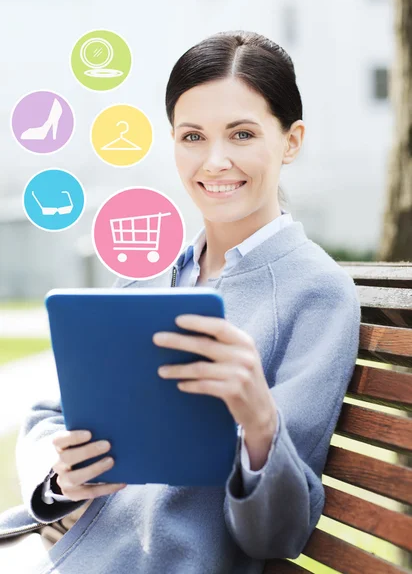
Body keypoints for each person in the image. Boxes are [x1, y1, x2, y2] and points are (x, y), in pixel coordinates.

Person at [0, 30, 361, 574]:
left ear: (291, 141)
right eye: (192, 137)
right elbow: (49, 414)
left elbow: (277, 535)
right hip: (64, 545)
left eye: (241, 133)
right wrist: (62, 476)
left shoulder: (316, 292)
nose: (214, 161)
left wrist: (261, 424)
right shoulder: (147, 276)